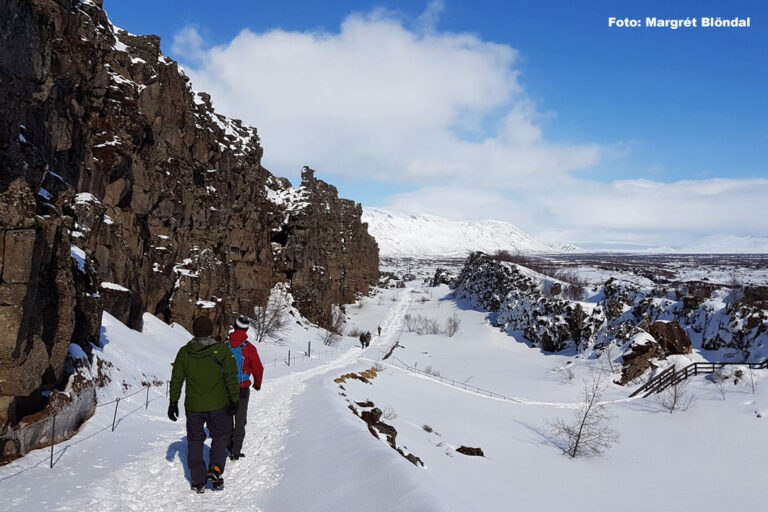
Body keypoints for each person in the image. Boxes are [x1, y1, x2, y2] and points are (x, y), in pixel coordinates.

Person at [168, 315, 240, 493]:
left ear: (194, 330)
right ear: (211, 330)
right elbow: (232, 376)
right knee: (220, 437)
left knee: (195, 441)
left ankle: (198, 481)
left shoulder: (184, 352)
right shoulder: (222, 351)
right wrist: (234, 399)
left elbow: (176, 379)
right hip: (219, 404)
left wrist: (173, 402)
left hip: (194, 406)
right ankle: (215, 469)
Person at [225, 315, 264, 462]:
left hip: (226, 388)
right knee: (240, 421)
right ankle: (235, 453)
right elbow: (258, 368)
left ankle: (228, 445)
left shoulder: (224, 345)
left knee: (228, 418)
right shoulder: (249, 348)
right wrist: (257, 383)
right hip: (242, 389)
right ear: (246, 329)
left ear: (234, 327)